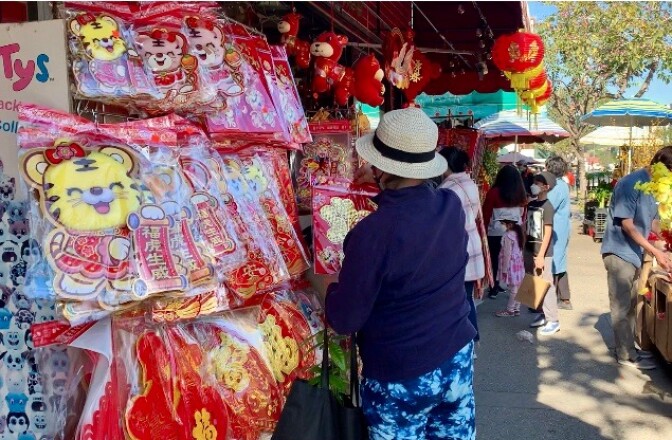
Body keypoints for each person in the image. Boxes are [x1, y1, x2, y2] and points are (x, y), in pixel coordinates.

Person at [325, 108, 476, 440]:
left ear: (379, 166)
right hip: (456, 354)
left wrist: (324, 285)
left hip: (402, 371)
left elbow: (346, 318)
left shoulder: (373, 232)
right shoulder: (449, 205)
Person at [601, 146, 672, 370]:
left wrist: (666, 235)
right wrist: (656, 252)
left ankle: (630, 349)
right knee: (621, 307)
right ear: (662, 167)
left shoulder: (652, 187)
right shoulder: (631, 183)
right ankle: (625, 355)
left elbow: (651, 222)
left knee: (631, 304)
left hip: (635, 253)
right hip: (620, 251)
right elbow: (628, 225)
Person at [439, 147, 485, 346]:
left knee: (461, 298)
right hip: (471, 242)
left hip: (458, 246)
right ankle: (471, 338)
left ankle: (471, 339)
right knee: (465, 296)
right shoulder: (470, 184)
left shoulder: (447, 189)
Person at [482, 165, 528, 298]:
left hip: (496, 232)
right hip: (515, 232)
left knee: (495, 260)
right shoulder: (521, 193)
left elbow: (486, 213)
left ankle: (494, 287)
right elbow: (523, 214)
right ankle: (508, 284)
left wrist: (483, 231)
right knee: (511, 259)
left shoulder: (494, 192)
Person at [525, 172, 561, 336]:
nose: (535, 185)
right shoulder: (532, 204)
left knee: (546, 284)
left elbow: (547, 232)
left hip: (542, 253)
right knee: (534, 283)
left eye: (539, 183)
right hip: (530, 248)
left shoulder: (548, 207)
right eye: (535, 182)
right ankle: (541, 312)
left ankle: (553, 320)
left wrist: (541, 256)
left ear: (546, 187)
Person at [545, 156, 573, 310]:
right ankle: (565, 298)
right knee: (560, 261)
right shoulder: (562, 185)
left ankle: (551, 298)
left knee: (552, 263)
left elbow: (547, 207)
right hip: (561, 228)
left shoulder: (555, 187)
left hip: (554, 230)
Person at [494, 213, 526, 317]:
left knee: (513, 288)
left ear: (509, 224)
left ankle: (510, 310)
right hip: (519, 264)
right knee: (518, 286)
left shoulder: (508, 236)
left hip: (511, 265)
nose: (501, 225)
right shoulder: (518, 233)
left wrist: (504, 270)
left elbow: (507, 253)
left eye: (503, 223)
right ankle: (516, 308)